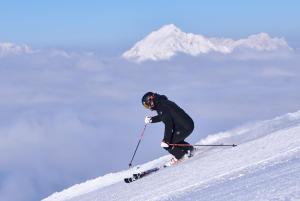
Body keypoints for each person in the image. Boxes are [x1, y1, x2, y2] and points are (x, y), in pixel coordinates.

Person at [141, 92, 194, 165]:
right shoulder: (162, 103)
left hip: (184, 127)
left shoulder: (162, 107)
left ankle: (181, 156)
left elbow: (168, 124)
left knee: (167, 144)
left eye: (147, 105)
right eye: (146, 106)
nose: (148, 107)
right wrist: (151, 120)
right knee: (174, 140)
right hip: (186, 125)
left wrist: (166, 140)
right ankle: (189, 149)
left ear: (151, 100)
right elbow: (164, 117)